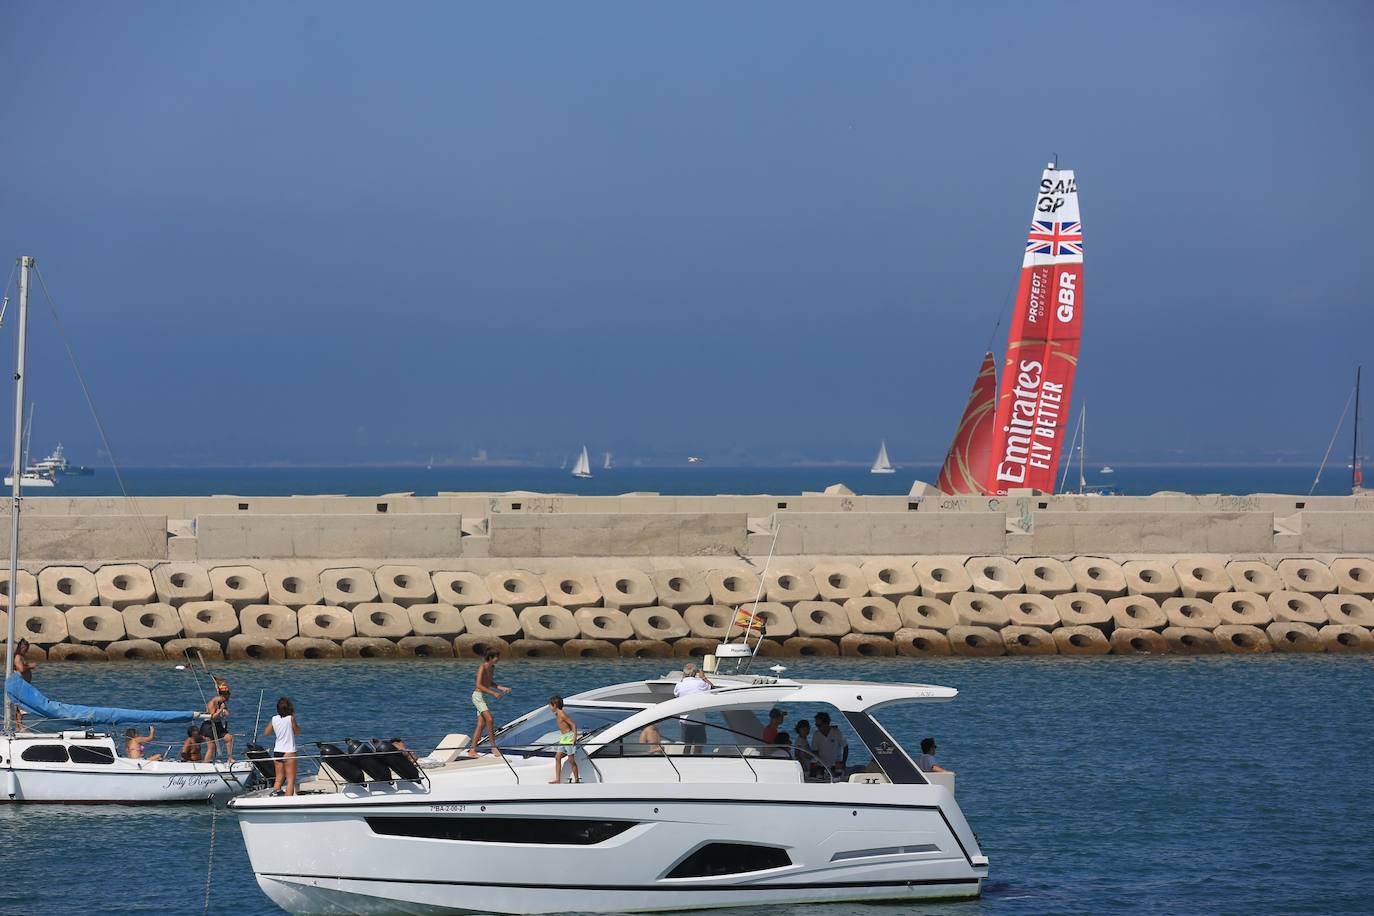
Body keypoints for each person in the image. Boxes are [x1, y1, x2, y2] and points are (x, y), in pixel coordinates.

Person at [465, 649, 512, 758]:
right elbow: (479, 684)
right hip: (477, 697)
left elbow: (489, 682)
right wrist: (493, 693)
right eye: (496, 657)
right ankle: (493, 747)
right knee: (490, 719)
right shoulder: (483, 667)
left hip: (483, 697)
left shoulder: (492, 668)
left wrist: (501, 688)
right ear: (490, 658)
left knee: (481, 725)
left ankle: (472, 750)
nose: (498, 659)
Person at [264, 696, 301, 796]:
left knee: (278, 779)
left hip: (277, 751)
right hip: (289, 752)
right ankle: (287, 802)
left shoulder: (274, 719)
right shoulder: (290, 718)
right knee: (290, 781)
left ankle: (276, 799)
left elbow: (266, 733)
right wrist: (294, 720)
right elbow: (297, 732)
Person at [673, 663, 713, 755]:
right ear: (696, 673)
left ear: (684, 673)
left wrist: (683, 678)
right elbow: (713, 688)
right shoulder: (701, 684)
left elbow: (676, 694)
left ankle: (685, 761)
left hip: (685, 721)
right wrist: (703, 677)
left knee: (687, 746)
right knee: (698, 747)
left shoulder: (679, 685)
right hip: (699, 720)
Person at [547, 696, 580, 784]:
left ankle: (577, 779)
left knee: (571, 760)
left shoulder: (562, 714)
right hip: (563, 737)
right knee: (557, 757)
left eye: (550, 705)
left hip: (569, 737)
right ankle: (558, 779)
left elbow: (573, 724)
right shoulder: (557, 714)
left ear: (555, 705)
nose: (549, 707)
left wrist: (574, 738)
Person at [200, 676, 233, 764]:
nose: (230, 696)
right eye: (228, 694)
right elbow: (213, 717)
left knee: (228, 738)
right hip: (209, 725)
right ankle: (205, 764)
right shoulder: (212, 702)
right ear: (225, 695)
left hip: (217, 724)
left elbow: (227, 713)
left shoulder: (222, 702)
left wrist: (225, 711)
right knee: (212, 747)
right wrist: (220, 711)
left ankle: (230, 758)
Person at [811, 711, 849, 777]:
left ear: (826, 723)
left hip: (836, 765)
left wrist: (843, 762)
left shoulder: (837, 732)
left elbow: (845, 747)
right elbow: (815, 751)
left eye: (819, 725)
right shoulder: (816, 734)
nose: (818, 727)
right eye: (816, 725)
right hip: (822, 766)